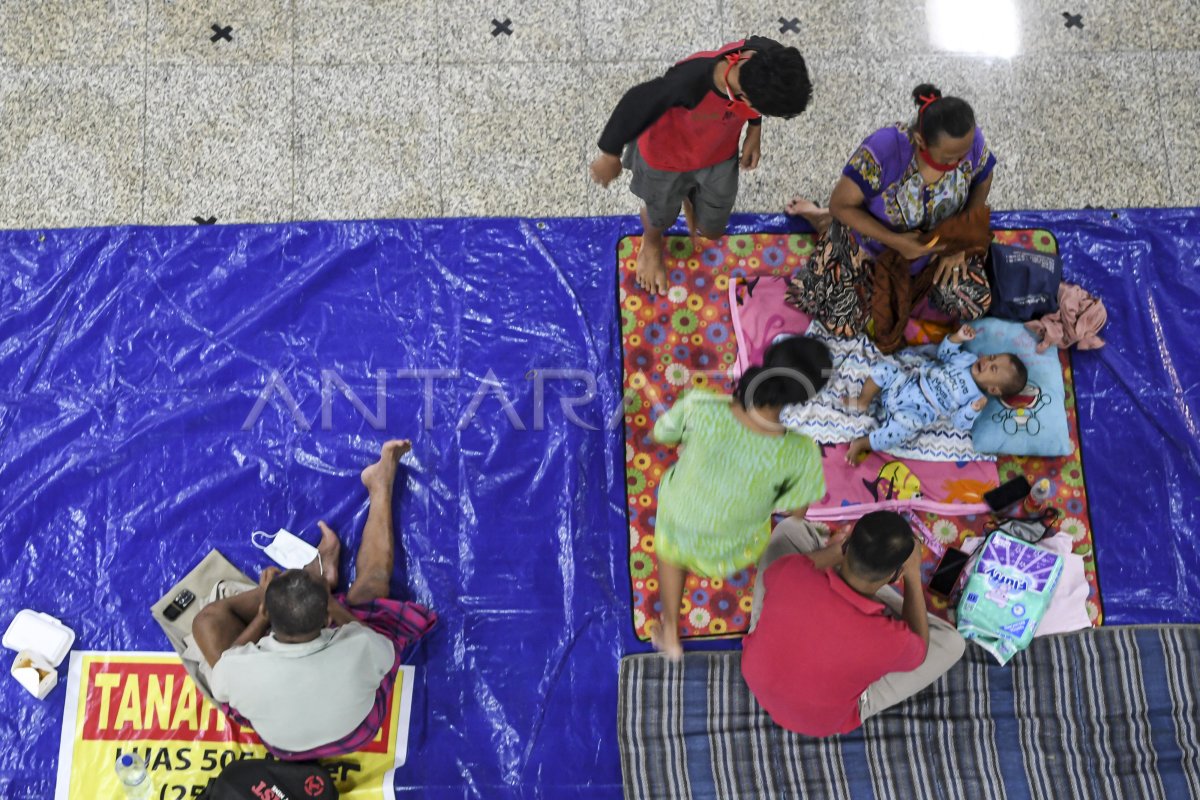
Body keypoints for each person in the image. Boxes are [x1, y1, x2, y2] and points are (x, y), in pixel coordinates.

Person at [191, 439, 436, 759]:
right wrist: (334, 604)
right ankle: (380, 485)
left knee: (205, 620)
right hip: (355, 733)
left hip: (286, 747)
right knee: (373, 585)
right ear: (328, 620)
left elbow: (228, 665)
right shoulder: (359, 646)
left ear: (267, 622)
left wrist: (263, 613)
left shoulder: (237, 670)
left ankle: (315, 573)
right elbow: (383, 649)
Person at [649, 336, 830, 659]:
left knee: (671, 548)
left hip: (680, 521)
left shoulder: (700, 405)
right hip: (735, 548)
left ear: (766, 362)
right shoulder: (802, 452)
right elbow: (796, 514)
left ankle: (671, 630)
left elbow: (660, 435)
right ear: (804, 397)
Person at [590, 37, 812, 295]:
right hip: (665, 160)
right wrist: (610, 154)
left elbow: (759, 96)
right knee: (660, 215)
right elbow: (637, 100)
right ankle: (650, 243)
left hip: (718, 153)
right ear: (747, 99)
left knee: (712, 229)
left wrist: (754, 130)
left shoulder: (765, 54)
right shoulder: (690, 82)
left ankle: (688, 196)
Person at [786, 83, 996, 336]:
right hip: (872, 245)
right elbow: (840, 204)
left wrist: (960, 241)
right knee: (841, 326)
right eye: (949, 159)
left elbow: (984, 177)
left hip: (936, 249)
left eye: (964, 156)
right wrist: (897, 242)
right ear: (920, 141)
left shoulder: (967, 141)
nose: (960, 163)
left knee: (976, 303)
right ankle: (821, 220)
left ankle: (909, 287)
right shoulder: (884, 150)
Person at [741, 512, 966, 737]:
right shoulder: (891, 639)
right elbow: (920, 647)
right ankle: (867, 586)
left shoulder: (791, 572)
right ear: (896, 575)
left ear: (847, 543)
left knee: (790, 529)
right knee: (952, 643)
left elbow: (802, 564)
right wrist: (913, 576)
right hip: (820, 721)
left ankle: (848, 576)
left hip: (758, 678)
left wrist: (838, 550)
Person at [844, 323, 1027, 463]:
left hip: (917, 412)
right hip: (908, 384)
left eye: (993, 369)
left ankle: (862, 443)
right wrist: (958, 337)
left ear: (993, 389)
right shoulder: (967, 360)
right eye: (992, 357)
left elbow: (959, 422)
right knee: (884, 369)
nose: (987, 362)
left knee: (897, 434)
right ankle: (863, 400)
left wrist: (972, 409)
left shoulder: (976, 399)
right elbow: (944, 354)